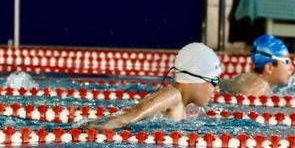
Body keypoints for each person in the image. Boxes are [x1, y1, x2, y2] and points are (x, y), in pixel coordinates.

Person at [84, 43, 221, 129]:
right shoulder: (172, 96)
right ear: (195, 79)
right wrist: (93, 129)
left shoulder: (184, 104)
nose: (217, 89)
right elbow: (132, 115)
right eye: (214, 81)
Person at [220, 34, 293, 96]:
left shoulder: (253, 78)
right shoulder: (259, 88)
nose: (291, 68)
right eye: (286, 62)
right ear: (269, 68)